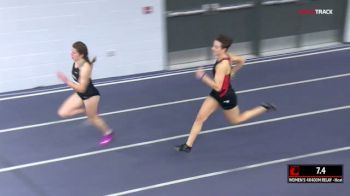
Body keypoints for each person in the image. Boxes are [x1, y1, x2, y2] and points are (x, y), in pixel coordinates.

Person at [176, 35, 276, 152]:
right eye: (213, 46)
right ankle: (188, 145)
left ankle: (263, 108)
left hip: (226, 96)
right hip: (216, 95)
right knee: (200, 118)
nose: (213, 48)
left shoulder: (222, 65)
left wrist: (203, 76)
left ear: (223, 49)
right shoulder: (227, 57)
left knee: (236, 120)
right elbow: (242, 60)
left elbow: (218, 87)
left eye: (216, 47)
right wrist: (232, 72)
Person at [57, 41, 113, 146]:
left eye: (74, 53)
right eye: (71, 52)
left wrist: (66, 81)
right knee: (63, 113)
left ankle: (108, 133)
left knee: (93, 119)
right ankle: (87, 111)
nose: (71, 55)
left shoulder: (85, 67)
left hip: (90, 95)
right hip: (80, 93)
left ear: (81, 54)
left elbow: (82, 89)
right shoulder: (75, 62)